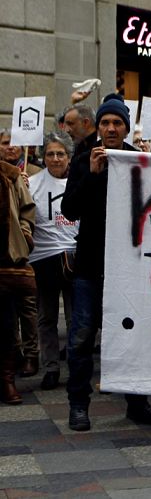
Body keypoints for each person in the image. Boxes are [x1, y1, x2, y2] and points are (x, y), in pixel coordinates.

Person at [61, 93, 151, 431]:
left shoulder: (138, 160)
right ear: (98, 127)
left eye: (117, 123)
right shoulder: (83, 160)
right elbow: (69, 211)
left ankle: (137, 403)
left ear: (124, 128)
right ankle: (78, 405)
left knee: (132, 336)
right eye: (105, 122)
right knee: (80, 338)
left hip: (129, 268)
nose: (110, 128)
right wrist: (92, 175)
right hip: (90, 268)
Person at [29, 132, 79, 391]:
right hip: (43, 258)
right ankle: (50, 368)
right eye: (50, 153)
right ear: (43, 156)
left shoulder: (79, 182)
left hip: (74, 257)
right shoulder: (32, 184)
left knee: (75, 318)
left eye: (60, 153)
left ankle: (75, 367)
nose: (56, 158)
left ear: (69, 156)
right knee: (46, 318)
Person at [0, 141, 36, 405]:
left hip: (6, 262)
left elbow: (27, 210)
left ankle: (7, 379)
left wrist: (24, 235)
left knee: (6, 325)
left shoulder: (10, 175)